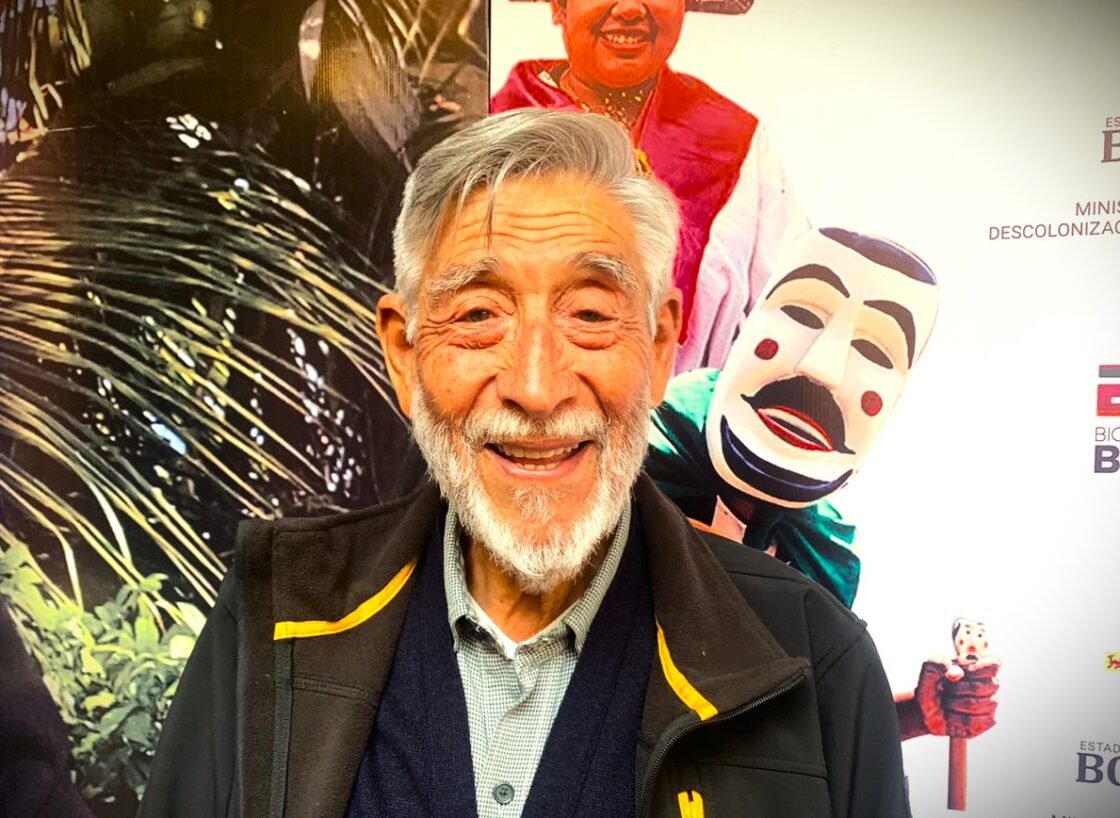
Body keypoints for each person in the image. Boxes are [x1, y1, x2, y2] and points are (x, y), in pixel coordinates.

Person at [140, 109, 909, 817]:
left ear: (659, 347)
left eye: (590, 314)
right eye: (479, 314)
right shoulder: (275, 612)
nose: (537, 389)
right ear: (405, 354)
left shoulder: (815, 658)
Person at [647, 226, 999, 740]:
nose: (823, 367)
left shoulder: (824, 555)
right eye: (803, 315)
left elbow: (789, 730)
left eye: (874, 350)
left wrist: (915, 716)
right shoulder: (626, 466)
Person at [491, 0, 809, 373]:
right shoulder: (489, 132)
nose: (629, 9)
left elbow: (793, 310)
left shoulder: (734, 142)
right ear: (560, 6)